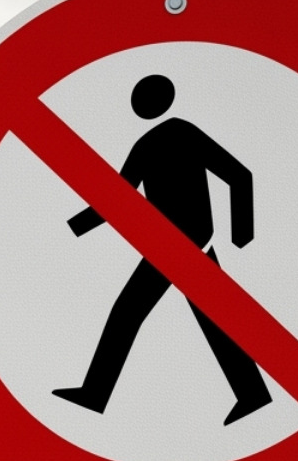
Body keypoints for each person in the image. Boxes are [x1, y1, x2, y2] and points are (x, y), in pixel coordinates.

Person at [53, 74, 273, 426]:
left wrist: (241, 235)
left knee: (129, 313)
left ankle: (95, 393)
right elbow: (117, 198)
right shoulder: (147, 143)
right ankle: (253, 394)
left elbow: (238, 174)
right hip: (167, 247)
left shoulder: (181, 133)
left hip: (186, 247)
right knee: (205, 320)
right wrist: (73, 227)